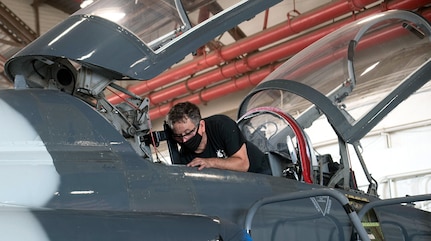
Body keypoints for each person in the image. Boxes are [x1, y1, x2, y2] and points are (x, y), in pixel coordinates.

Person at [166, 101, 271, 174]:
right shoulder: (184, 160)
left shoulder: (221, 125)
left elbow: (243, 164)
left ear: (201, 126)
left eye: (188, 133)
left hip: (263, 173)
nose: (184, 140)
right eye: (179, 136)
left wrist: (210, 162)